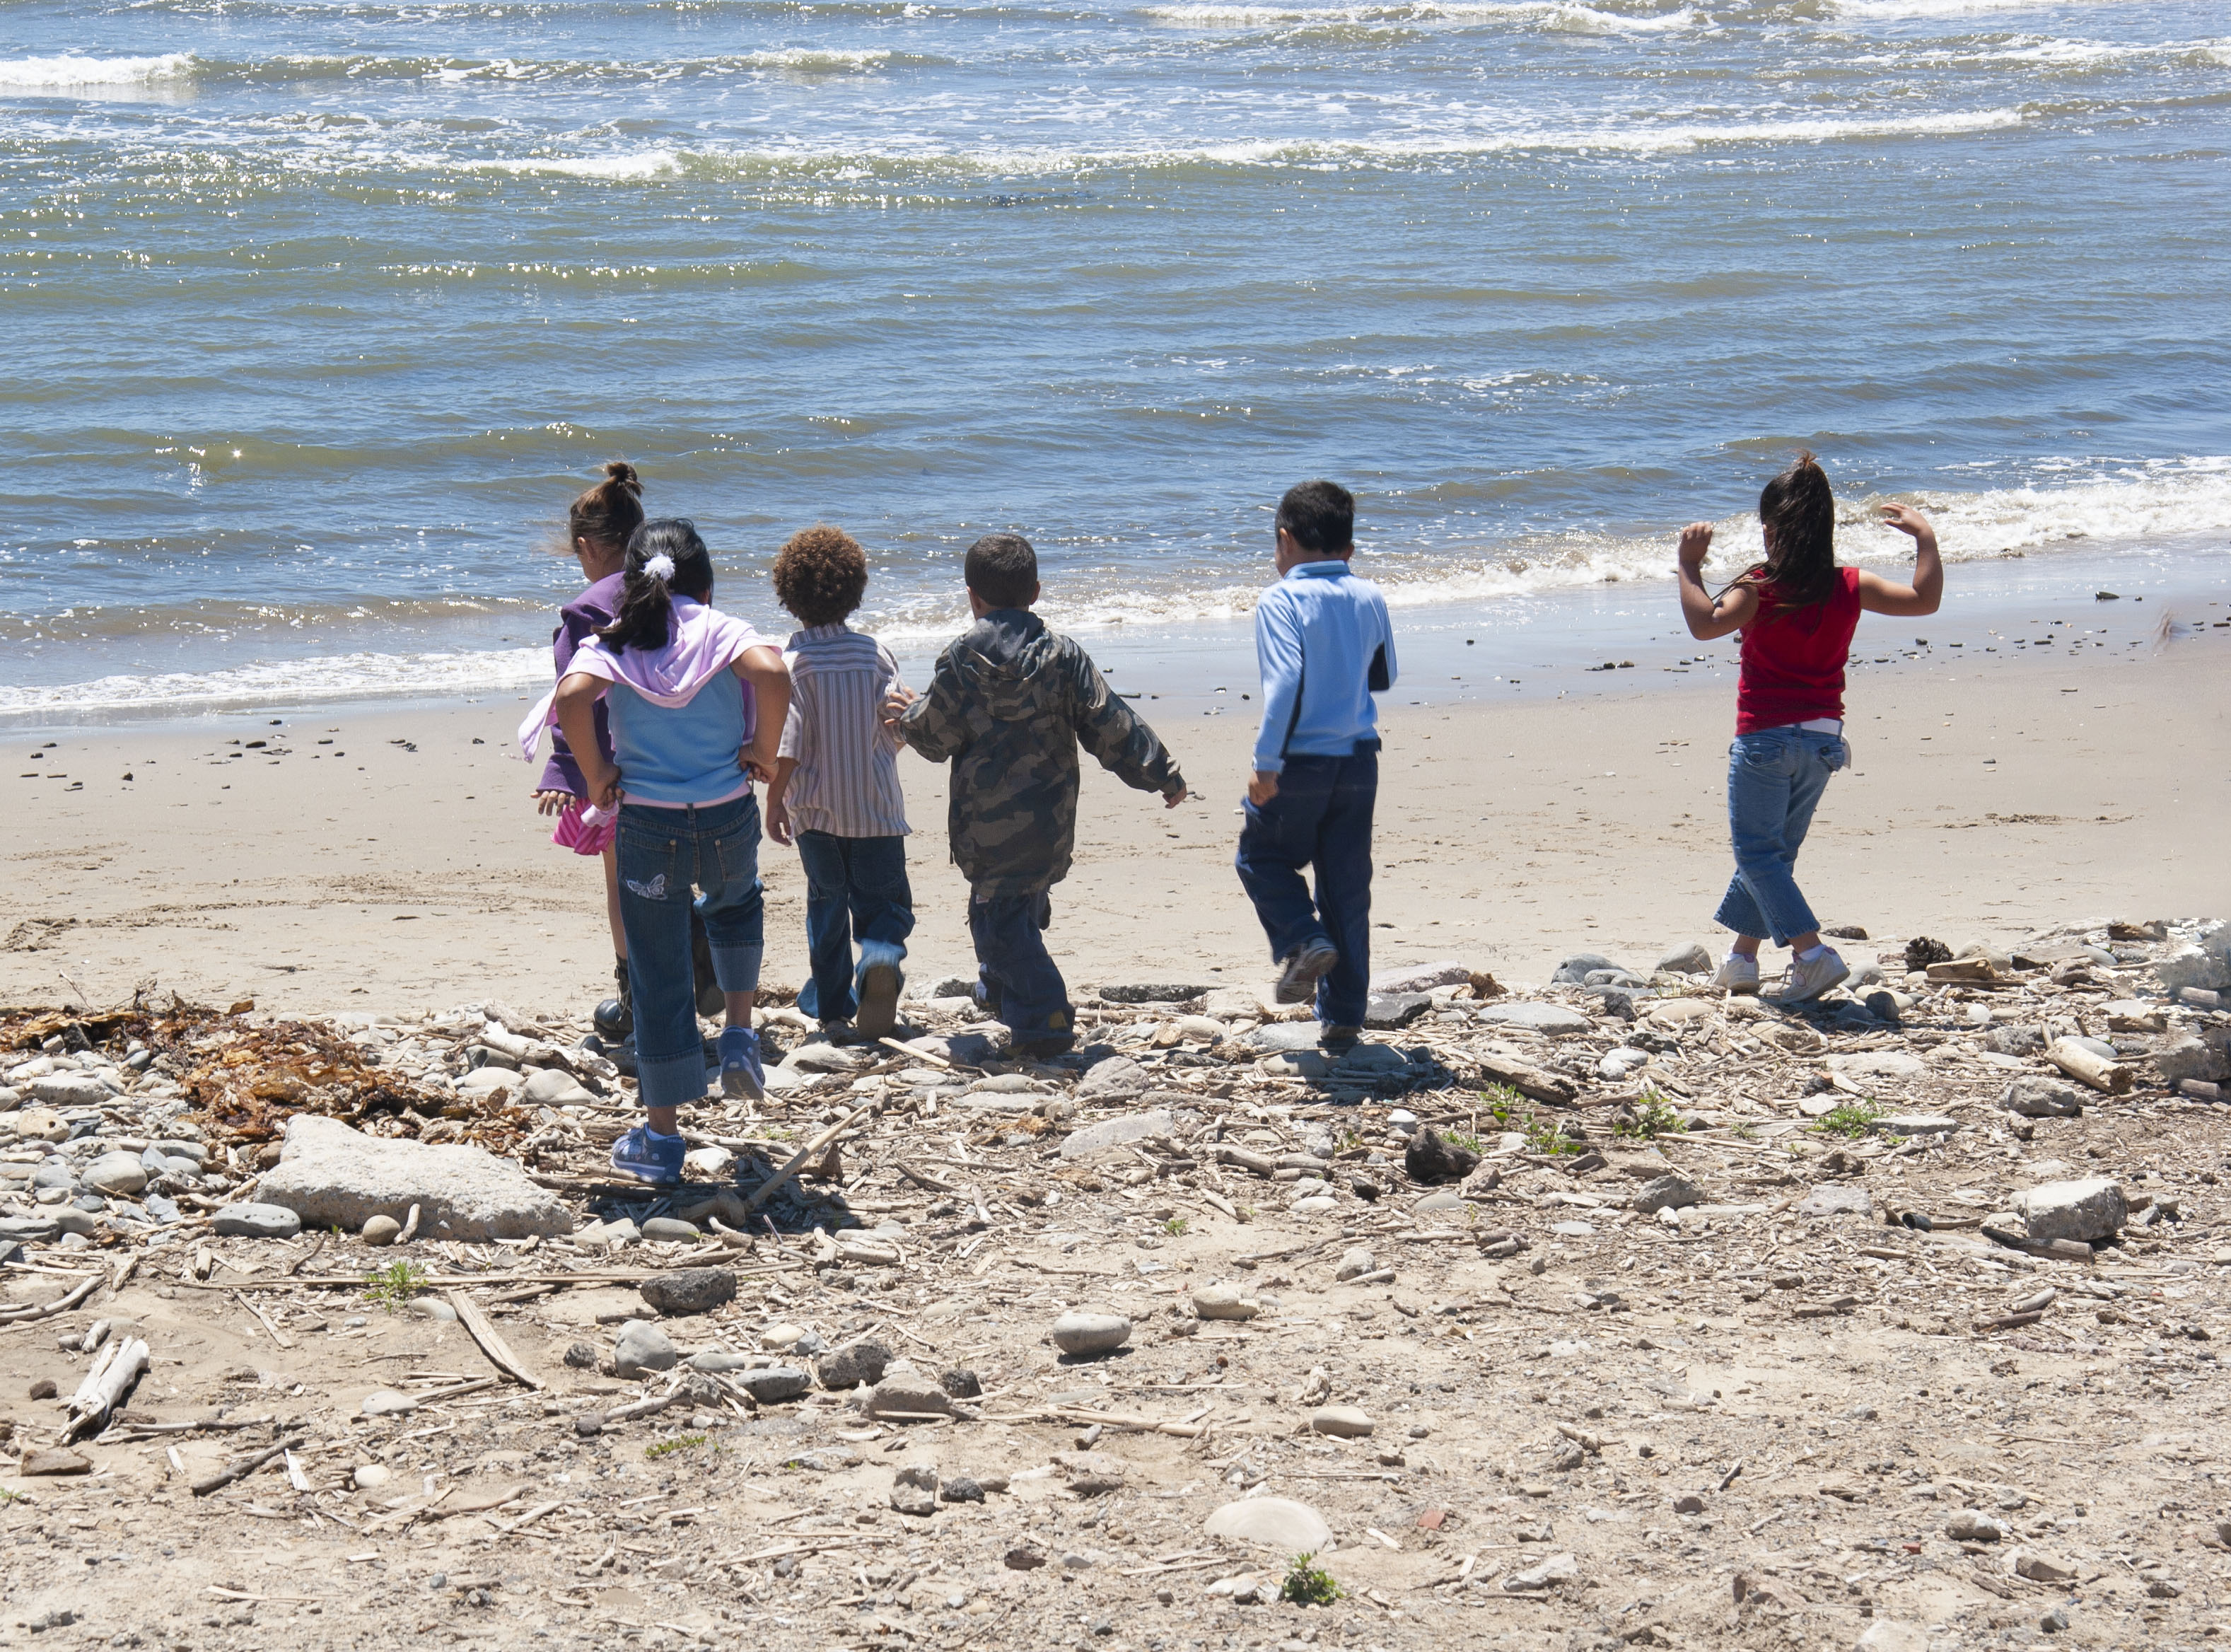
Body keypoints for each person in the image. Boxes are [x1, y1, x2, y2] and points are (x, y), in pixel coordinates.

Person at [552, 519, 792, 1186]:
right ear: (707, 584)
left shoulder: (620, 639)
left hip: (649, 828)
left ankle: (662, 1141)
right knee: (735, 902)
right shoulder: (724, 630)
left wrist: (596, 772)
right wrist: (764, 753)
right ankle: (739, 1032)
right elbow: (773, 673)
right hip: (725, 815)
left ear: (628, 584)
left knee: (659, 972)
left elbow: (571, 697)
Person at [887, 533, 1187, 1059]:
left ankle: (1044, 1018)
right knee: (1012, 910)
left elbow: (935, 739)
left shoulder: (960, 658)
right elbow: (1110, 724)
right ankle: (1003, 993)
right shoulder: (1062, 655)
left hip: (984, 826)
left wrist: (909, 712)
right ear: (1036, 592)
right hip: (1048, 819)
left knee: (997, 922)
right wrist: (1161, 773)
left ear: (972, 597)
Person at [1675, 451, 1942, 1003]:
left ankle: (1812, 954)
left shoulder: (1759, 586)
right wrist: (1925, 541)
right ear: (1825, 528)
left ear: (1769, 529)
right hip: (1822, 738)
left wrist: (1689, 566)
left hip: (1764, 739)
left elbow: (1704, 625)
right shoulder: (1848, 583)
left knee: (1756, 855)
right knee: (1775, 855)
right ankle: (1742, 961)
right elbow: (1923, 601)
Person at [1233, 479, 1397, 1048]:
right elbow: (1384, 677)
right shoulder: (1369, 595)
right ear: (1348, 548)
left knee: (1260, 860)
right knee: (1347, 887)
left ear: (1283, 540)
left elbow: (1283, 685)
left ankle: (1302, 940)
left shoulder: (1279, 600)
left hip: (1301, 758)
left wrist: (1265, 762)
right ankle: (1344, 1015)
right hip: (1358, 759)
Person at [763, 526, 914, 1042]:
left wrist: (774, 799)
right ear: (856, 590)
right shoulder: (876, 655)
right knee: (884, 904)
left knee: (825, 907)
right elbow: (896, 726)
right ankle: (879, 956)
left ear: (788, 597)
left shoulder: (792, 666)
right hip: (876, 809)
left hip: (817, 815)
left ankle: (831, 1007)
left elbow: (790, 743)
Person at [527, 461, 643, 1028]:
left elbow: (575, 700)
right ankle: (696, 965)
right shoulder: (682, 591)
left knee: (624, 887)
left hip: (620, 772)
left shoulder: (586, 611)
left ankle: (633, 998)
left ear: (585, 547)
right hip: (689, 763)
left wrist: (570, 771)